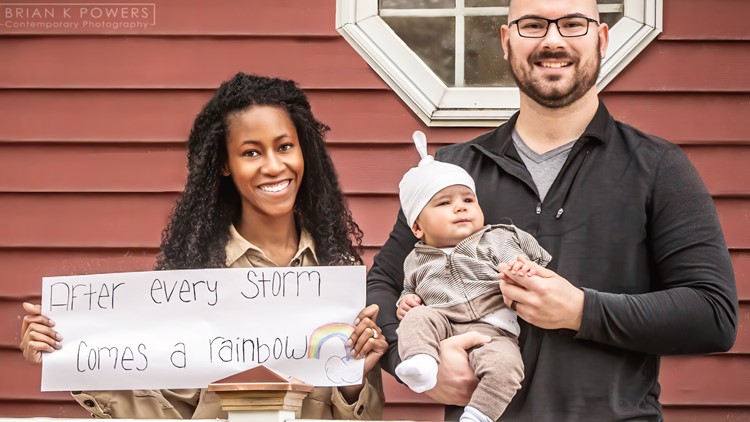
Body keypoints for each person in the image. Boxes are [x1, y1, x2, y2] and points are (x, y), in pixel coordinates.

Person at [366, 0, 739, 420]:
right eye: (533, 25)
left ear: (601, 38)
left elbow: (713, 313)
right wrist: (412, 362)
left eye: (573, 24)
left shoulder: (657, 167)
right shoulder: (452, 173)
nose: (553, 40)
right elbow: (381, 283)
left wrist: (582, 310)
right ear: (507, 42)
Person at [19, 72, 387, 419]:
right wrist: (71, 355)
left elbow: (365, 416)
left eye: (285, 146)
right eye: (251, 152)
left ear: (303, 151)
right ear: (224, 164)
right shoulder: (195, 280)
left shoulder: (337, 274)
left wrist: (354, 378)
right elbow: (169, 414)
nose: (274, 166)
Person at [393, 132, 551, 422]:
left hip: (493, 328)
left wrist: (523, 268)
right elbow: (408, 289)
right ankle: (421, 362)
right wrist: (408, 300)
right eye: (443, 203)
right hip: (443, 323)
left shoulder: (494, 239)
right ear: (417, 227)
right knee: (415, 320)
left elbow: (528, 261)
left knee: (507, 366)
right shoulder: (415, 259)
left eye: (468, 199)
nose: (461, 207)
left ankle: (479, 415)